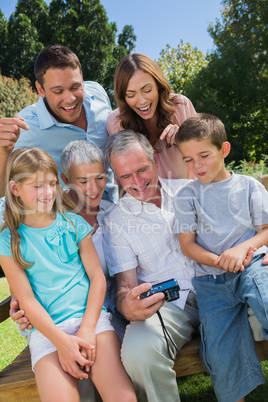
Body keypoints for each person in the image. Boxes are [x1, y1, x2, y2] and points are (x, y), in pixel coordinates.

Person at [0, 147, 136, 402]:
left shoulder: (74, 224)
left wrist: (86, 330)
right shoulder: (9, 240)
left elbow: (97, 278)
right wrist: (62, 343)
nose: (48, 192)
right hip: (47, 332)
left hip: (92, 322)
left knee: (124, 398)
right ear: (15, 189)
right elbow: (27, 300)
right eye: (38, 186)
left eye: (51, 183)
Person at [173, 113, 268, 402]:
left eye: (204, 155)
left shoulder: (249, 186)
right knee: (218, 351)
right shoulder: (186, 196)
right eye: (188, 159)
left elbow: (266, 230)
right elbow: (187, 244)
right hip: (211, 282)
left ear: (223, 150)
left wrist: (241, 251)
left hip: (251, 266)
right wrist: (219, 260)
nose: (196, 165)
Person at [103, 130, 200, 402]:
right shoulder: (117, 220)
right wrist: (127, 305)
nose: (137, 183)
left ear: (155, 159)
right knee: (138, 351)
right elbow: (124, 286)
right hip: (170, 305)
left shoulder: (189, 189)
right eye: (125, 177)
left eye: (142, 169)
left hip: (219, 288)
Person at [0, 44, 117, 202]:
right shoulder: (27, 127)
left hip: (120, 205)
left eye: (75, 87)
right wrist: (3, 152)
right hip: (77, 220)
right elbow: (4, 191)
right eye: (58, 91)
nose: (70, 99)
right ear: (40, 90)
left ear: (82, 78)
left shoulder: (97, 92)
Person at [106, 53, 196, 180]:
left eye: (147, 90)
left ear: (158, 85)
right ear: (123, 98)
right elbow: (123, 178)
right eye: (131, 95)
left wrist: (185, 139)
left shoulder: (180, 106)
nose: (142, 101)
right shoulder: (116, 122)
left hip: (188, 195)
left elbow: (206, 154)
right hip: (145, 199)